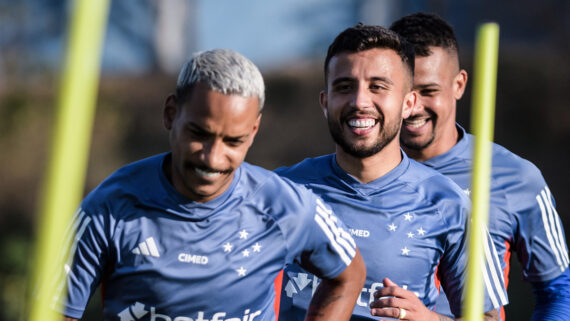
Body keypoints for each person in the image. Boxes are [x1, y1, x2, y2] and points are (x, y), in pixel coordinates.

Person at [55, 49, 366, 321]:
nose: (212, 158)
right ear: (171, 114)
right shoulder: (108, 207)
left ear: (253, 131)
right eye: (199, 134)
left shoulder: (285, 206)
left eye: (233, 141)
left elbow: (349, 274)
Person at [277, 24, 506, 321]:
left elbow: (489, 318)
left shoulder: (448, 202)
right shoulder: (283, 190)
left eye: (378, 86)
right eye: (345, 87)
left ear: (408, 103)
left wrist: (428, 319)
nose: (360, 102)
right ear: (325, 101)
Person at [390, 12, 570, 320]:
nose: (413, 107)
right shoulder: (356, 174)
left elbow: (558, 291)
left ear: (459, 84)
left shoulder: (515, 177)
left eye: (429, 91)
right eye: (404, 92)